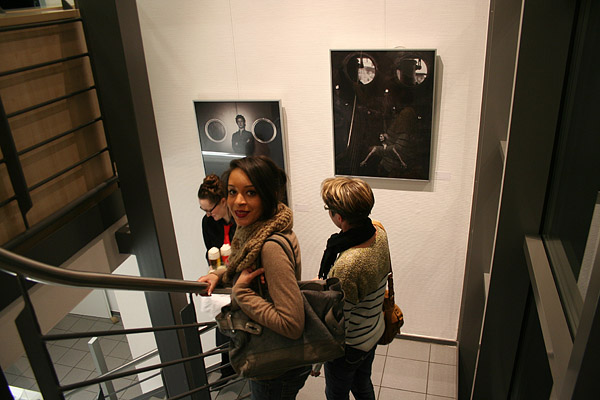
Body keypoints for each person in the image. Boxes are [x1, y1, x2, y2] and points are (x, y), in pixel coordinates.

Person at [198, 156, 310, 399]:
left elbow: (292, 325)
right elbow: (242, 267)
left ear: (268, 195)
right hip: (275, 357)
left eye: (251, 192)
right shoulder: (256, 229)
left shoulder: (269, 246)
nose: (238, 201)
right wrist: (220, 274)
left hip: (274, 366)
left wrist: (241, 293)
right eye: (232, 191)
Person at [319, 177, 391, 400]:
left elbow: (339, 322)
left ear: (339, 217)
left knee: (337, 393)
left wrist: (318, 358)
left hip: (351, 345)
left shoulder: (349, 265)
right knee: (362, 384)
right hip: (373, 329)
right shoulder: (378, 230)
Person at [197, 174, 237, 380]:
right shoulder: (208, 223)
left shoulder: (241, 220)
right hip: (221, 277)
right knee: (221, 321)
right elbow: (210, 252)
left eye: (210, 210)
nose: (207, 215)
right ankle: (226, 370)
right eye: (203, 210)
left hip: (240, 278)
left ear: (223, 201)